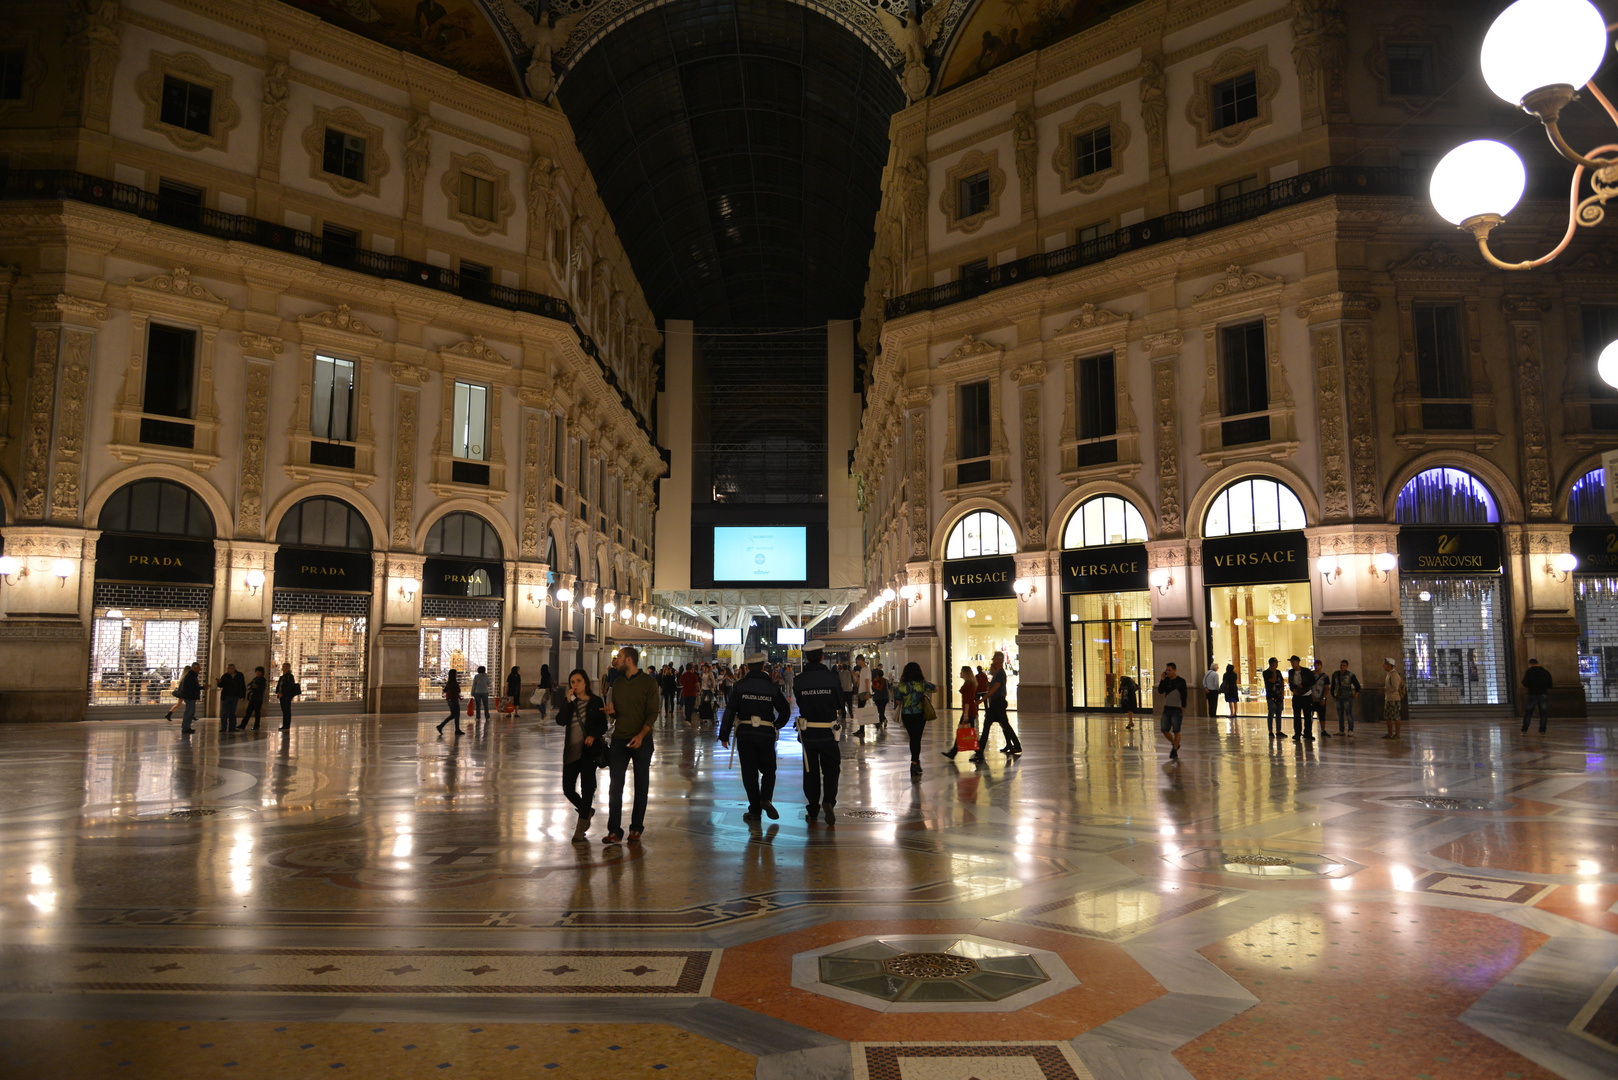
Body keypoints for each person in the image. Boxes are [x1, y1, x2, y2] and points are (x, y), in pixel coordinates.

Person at [719, 651, 792, 820]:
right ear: (762, 666)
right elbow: (785, 710)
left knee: (749, 772)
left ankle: (754, 810)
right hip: (766, 734)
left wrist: (724, 735)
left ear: (747, 668)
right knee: (769, 770)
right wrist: (777, 725)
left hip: (745, 734)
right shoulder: (771, 687)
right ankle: (766, 798)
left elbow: (730, 711)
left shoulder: (740, 686)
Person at [603, 646, 659, 844]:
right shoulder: (617, 683)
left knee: (641, 785)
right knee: (615, 785)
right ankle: (614, 830)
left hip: (642, 741)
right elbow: (617, 713)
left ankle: (636, 828)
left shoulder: (648, 683)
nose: (615, 660)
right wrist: (612, 714)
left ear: (629, 660)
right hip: (619, 739)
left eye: (618, 657)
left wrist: (641, 735)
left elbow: (653, 712)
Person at [555, 667, 608, 841]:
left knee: (587, 789)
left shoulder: (596, 702)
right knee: (568, 789)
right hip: (571, 752)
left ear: (585, 682)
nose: (575, 685)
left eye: (578, 681)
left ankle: (580, 827)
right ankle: (587, 810)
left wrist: (593, 735)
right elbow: (561, 721)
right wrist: (567, 701)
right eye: (572, 682)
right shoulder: (571, 702)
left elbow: (603, 726)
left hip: (588, 753)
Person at [793, 640, 843, 824]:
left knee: (810, 770)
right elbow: (839, 702)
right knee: (831, 768)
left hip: (808, 732)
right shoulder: (832, 678)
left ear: (806, 658)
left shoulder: (799, 680)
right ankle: (829, 801)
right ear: (822, 657)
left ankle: (813, 808)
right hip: (828, 731)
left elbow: (799, 702)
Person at [893, 662, 937, 775]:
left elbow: (897, 700)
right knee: (916, 739)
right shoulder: (921, 684)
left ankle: (916, 761)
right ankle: (914, 763)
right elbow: (935, 689)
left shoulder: (901, 685)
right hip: (919, 714)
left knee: (912, 738)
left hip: (906, 715)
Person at [978, 651, 1022, 758]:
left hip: (998, 703)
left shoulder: (1000, 673)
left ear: (998, 660)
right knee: (991, 725)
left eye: (994, 658)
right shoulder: (998, 673)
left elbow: (995, 688)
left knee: (1003, 724)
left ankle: (1016, 745)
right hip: (995, 703)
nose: (992, 659)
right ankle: (980, 751)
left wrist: (982, 698)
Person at [943, 665, 979, 759]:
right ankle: (953, 752)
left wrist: (966, 714)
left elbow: (967, 701)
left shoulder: (968, 685)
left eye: (962, 671)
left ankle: (978, 753)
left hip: (969, 712)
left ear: (966, 673)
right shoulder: (970, 684)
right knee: (966, 731)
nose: (960, 673)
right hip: (971, 711)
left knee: (967, 732)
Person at [1157, 662, 1188, 761]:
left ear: (1175, 670)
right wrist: (1162, 680)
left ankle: (1174, 750)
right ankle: (1175, 744)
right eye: (1166, 670)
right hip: (1167, 708)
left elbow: (1184, 695)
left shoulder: (1181, 681)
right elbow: (1160, 691)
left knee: (1176, 730)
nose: (1168, 672)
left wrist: (1183, 707)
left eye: (1169, 670)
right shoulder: (1166, 681)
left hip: (1177, 709)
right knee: (1164, 729)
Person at [1286, 655, 1316, 741]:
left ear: (1298, 662)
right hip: (1297, 696)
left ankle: (1308, 733)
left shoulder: (1306, 671)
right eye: (1291, 662)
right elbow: (1290, 683)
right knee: (1296, 715)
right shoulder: (1291, 672)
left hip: (1306, 695)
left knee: (1307, 715)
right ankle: (1297, 733)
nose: (1292, 664)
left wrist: (1303, 685)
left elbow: (1312, 681)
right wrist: (1293, 690)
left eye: (1293, 662)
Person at [1330, 660, 1361, 736]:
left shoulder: (1351, 675)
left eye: (1344, 665)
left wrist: (1356, 694)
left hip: (1347, 697)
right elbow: (1333, 686)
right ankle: (1341, 730)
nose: (1342, 667)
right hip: (1338, 697)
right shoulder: (1335, 674)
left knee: (1349, 714)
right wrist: (1333, 695)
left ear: (1347, 666)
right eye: (1341, 665)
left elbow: (1357, 685)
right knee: (1340, 714)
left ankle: (1350, 730)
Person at [1522, 658, 1552, 734]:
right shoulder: (1545, 672)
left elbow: (1525, 683)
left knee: (1528, 713)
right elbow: (1550, 685)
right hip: (1543, 694)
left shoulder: (1529, 672)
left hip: (1532, 694)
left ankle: (1524, 729)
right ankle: (1542, 730)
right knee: (1543, 713)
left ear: (1530, 664)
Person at [216, 663, 245, 733]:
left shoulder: (240, 675)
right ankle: (223, 727)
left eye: (228, 668)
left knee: (232, 712)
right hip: (226, 696)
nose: (227, 670)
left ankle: (232, 727)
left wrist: (242, 695)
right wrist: (219, 682)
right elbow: (221, 685)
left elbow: (242, 685)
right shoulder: (225, 676)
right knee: (224, 712)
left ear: (233, 669)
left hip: (235, 696)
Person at [1382, 658, 1406, 738]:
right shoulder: (1389, 674)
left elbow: (1395, 687)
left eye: (1385, 664)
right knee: (1388, 717)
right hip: (1389, 698)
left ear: (1389, 665)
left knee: (1395, 717)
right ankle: (1390, 733)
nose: (1384, 666)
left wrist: (1385, 689)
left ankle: (1397, 734)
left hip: (1394, 699)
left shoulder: (1394, 675)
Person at [1261, 657, 1285, 739]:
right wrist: (1274, 671)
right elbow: (1272, 681)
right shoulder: (1266, 673)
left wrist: (1282, 694)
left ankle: (1278, 730)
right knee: (1271, 713)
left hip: (1279, 696)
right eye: (1275, 664)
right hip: (1271, 696)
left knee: (1279, 713)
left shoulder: (1278, 672)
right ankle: (1270, 730)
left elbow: (1282, 682)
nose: (1277, 665)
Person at [239, 666, 267, 730]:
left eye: (258, 672)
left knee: (257, 712)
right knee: (248, 712)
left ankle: (256, 725)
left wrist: (256, 687)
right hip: (253, 698)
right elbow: (249, 686)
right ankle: (243, 724)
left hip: (259, 698)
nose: (257, 673)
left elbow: (261, 689)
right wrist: (252, 687)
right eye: (256, 671)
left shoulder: (263, 680)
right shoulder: (255, 679)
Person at [435, 668, 463, 736]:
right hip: (454, 700)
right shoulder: (455, 683)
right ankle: (457, 729)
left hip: (450, 700)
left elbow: (445, 690)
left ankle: (441, 726)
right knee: (457, 715)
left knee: (453, 715)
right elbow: (458, 690)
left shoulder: (448, 682)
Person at [177, 662, 201, 735]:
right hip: (189, 696)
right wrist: (202, 687)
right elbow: (192, 687)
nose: (200, 669)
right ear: (194, 668)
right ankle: (185, 727)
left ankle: (187, 727)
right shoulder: (191, 676)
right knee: (189, 712)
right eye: (199, 668)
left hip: (190, 696)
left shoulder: (192, 675)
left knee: (190, 712)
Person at [274, 662, 300, 732]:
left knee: (287, 710)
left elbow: (289, 687)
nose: (283, 668)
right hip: (281, 696)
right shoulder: (282, 677)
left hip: (286, 696)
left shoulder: (290, 676)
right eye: (282, 666)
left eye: (284, 666)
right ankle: (284, 724)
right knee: (284, 710)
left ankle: (286, 725)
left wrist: (283, 693)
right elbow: (279, 686)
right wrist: (278, 692)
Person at [1309, 659, 1331, 737]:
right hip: (1312, 698)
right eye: (1315, 665)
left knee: (1322, 715)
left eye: (1318, 665)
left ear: (1321, 666)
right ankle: (1308, 730)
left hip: (1320, 698)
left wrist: (1323, 698)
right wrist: (1311, 696)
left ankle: (1323, 730)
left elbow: (1327, 688)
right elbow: (1308, 686)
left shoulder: (1325, 676)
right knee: (1309, 715)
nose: (1316, 667)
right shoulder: (1310, 675)